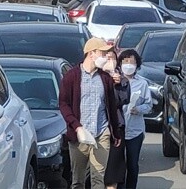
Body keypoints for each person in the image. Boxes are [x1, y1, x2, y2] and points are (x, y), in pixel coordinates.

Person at [59, 37, 122, 189]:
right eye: (102, 53)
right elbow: (63, 104)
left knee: (98, 179)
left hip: (101, 133)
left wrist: (116, 132)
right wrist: (76, 126)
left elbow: (111, 106)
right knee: (78, 181)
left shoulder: (105, 78)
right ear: (91, 53)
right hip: (79, 136)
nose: (106, 57)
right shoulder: (72, 76)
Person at [118, 49, 152, 189]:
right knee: (118, 164)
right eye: (125, 61)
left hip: (135, 131)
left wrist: (139, 109)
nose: (128, 65)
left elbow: (149, 105)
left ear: (137, 65)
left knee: (132, 164)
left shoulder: (142, 84)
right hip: (118, 130)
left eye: (132, 61)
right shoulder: (114, 81)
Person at [103, 51, 130, 189]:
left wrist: (116, 85)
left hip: (116, 127)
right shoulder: (95, 78)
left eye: (112, 58)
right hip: (97, 127)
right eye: (106, 58)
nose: (109, 60)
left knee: (113, 171)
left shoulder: (122, 80)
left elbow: (123, 99)